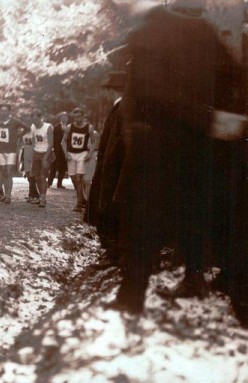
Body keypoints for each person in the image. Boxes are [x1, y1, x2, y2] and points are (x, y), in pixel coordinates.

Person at [110, 1, 247, 326]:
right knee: (195, 216)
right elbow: (233, 76)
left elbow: (150, 90)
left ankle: (133, 296)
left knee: (143, 221)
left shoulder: (150, 31)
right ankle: (201, 283)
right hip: (197, 146)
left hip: (157, 144)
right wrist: (223, 117)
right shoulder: (203, 32)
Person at [85, 71, 127, 266]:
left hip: (112, 168)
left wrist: (106, 164)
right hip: (111, 166)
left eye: (109, 90)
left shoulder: (121, 109)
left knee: (108, 208)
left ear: (114, 90)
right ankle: (111, 252)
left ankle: (112, 254)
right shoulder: (121, 108)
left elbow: (115, 142)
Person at [0, 103, 30, 204]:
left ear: (9, 112)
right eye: (2, 110)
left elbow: (27, 128)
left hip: (11, 151)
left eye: (6, 110)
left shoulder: (14, 121)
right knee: (4, 172)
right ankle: (6, 195)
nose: (3, 112)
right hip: (1, 150)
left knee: (9, 172)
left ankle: (8, 196)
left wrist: (18, 135)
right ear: (0, 111)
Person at [62, 107, 95, 212]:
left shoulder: (89, 128)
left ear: (83, 116)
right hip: (71, 154)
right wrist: (65, 153)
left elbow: (94, 142)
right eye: (75, 117)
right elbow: (64, 141)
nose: (77, 119)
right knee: (73, 178)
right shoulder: (69, 127)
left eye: (79, 117)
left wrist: (89, 154)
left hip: (82, 153)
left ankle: (79, 204)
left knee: (78, 178)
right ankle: (83, 199)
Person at [30, 110, 54, 208]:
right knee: (36, 177)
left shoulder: (48, 127)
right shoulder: (32, 127)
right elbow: (33, 141)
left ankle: (43, 198)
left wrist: (46, 157)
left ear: (40, 118)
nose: (34, 122)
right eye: (33, 119)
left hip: (46, 152)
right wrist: (33, 153)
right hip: (36, 152)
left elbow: (51, 143)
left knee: (43, 176)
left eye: (36, 119)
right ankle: (40, 196)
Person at [48, 112, 68, 189]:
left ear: (67, 119)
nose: (64, 119)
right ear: (60, 118)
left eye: (65, 117)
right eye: (62, 117)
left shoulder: (69, 128)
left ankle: (59, 184)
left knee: (62, 168)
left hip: (64, 150)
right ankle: (49, 183)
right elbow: (52, 139)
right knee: (53, 167)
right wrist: (52, 148)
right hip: (56, 150)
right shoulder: (55, 128)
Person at [20, 125, 38, 204]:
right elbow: (23, 145)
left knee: (32, 176)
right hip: (26, 155)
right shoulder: (23, 131)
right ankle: (33, 194)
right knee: (28, 176)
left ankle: (34, 195)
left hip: (33, 155)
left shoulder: (35, 130)